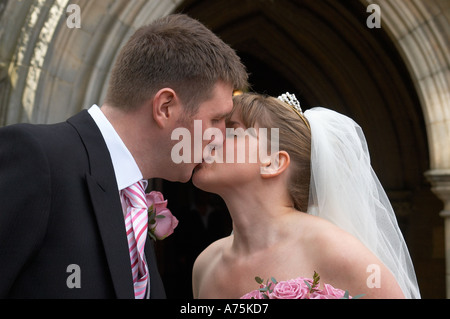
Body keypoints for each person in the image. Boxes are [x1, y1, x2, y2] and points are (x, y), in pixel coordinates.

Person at [0, 14, 248, 299]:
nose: (220, 137)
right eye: (216, 119)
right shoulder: (37, 158)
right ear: (165, 107)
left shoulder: (134, 197)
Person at [192, 92, 420, 299]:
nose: (211, 139)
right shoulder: (206, 265)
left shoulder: (338, 252)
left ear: (272, 162)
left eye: (232, 132)